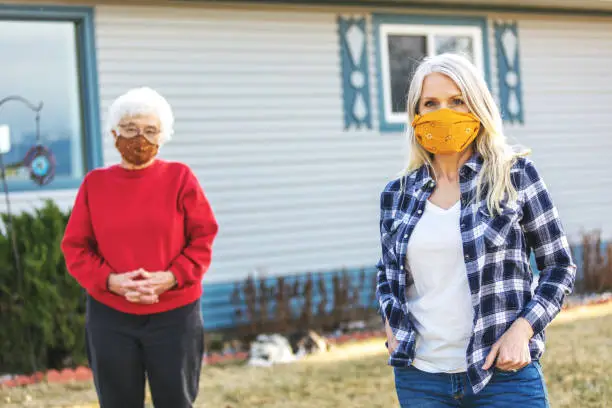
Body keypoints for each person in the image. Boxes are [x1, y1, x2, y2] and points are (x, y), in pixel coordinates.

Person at [376, 53, 576, 407]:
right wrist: (391, 323)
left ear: (477, 107)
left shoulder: (515, 176)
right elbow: (387, 274)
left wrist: (523, 329)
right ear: (416, 115)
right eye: (431, 103)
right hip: (421, 379)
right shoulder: (397, 194)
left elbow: (559, 266)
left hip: (502, 373)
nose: (444, 113)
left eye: (457, 101)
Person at [61, 87, 219, 408]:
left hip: (175, 313)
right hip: (111, 316)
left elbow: (203, 237)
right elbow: (76, 247)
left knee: (176, 401)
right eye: (131, 129)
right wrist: (110, 281)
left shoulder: (180, 178)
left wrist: (172, 277)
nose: (140, 138)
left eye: (150, 131)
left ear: (162, 137)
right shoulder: (95, 184)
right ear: (114, 133)